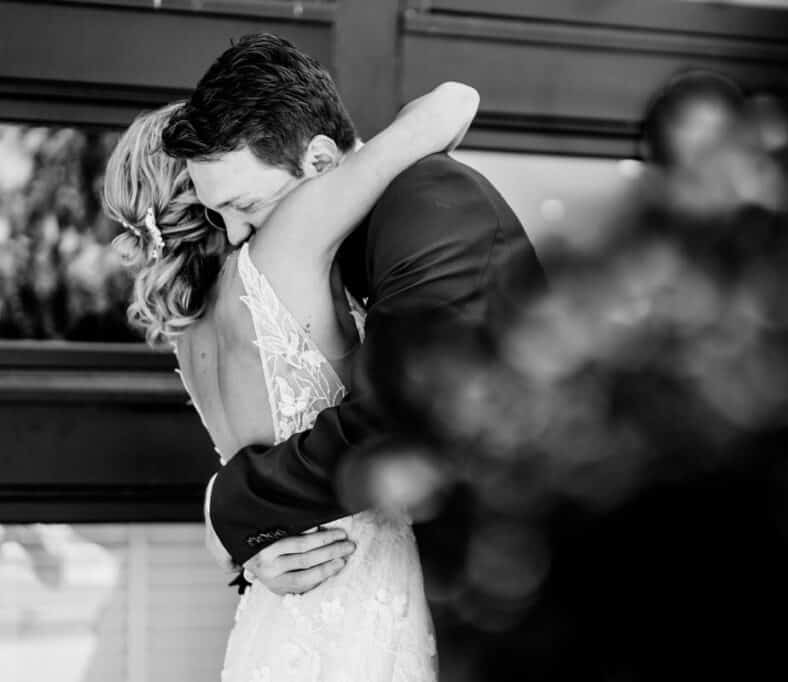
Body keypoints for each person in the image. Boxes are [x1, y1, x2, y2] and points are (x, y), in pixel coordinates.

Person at [104, 77, 479, 681]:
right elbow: (449, 107)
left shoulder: (188, 335)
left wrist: (237, 545)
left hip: (276, 613)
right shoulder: (289, 244)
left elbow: (251, 479)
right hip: (372, 596)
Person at [160, 34, 547, 601]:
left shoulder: (430, 201)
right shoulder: (324, 255)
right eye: (217, 215)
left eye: (243, 206)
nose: (236, 235)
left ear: (319, 160)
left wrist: (230, 510)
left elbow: (406, 418)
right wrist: (266, 549)